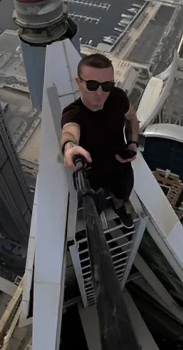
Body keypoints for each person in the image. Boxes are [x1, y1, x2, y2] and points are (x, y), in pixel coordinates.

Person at [60, 53, 140, 229]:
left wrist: (133, 143)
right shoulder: (73, 113)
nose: (100, 92)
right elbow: (69, 131)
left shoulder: (118, 97)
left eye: (107, 85)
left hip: (120, 164)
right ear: (79, 82)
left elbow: (132, 118)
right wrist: (69, 147)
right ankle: (98, 212)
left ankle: (119, 208)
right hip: (92, 172)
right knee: (95, 201)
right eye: (92, 85)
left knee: (122, 193)